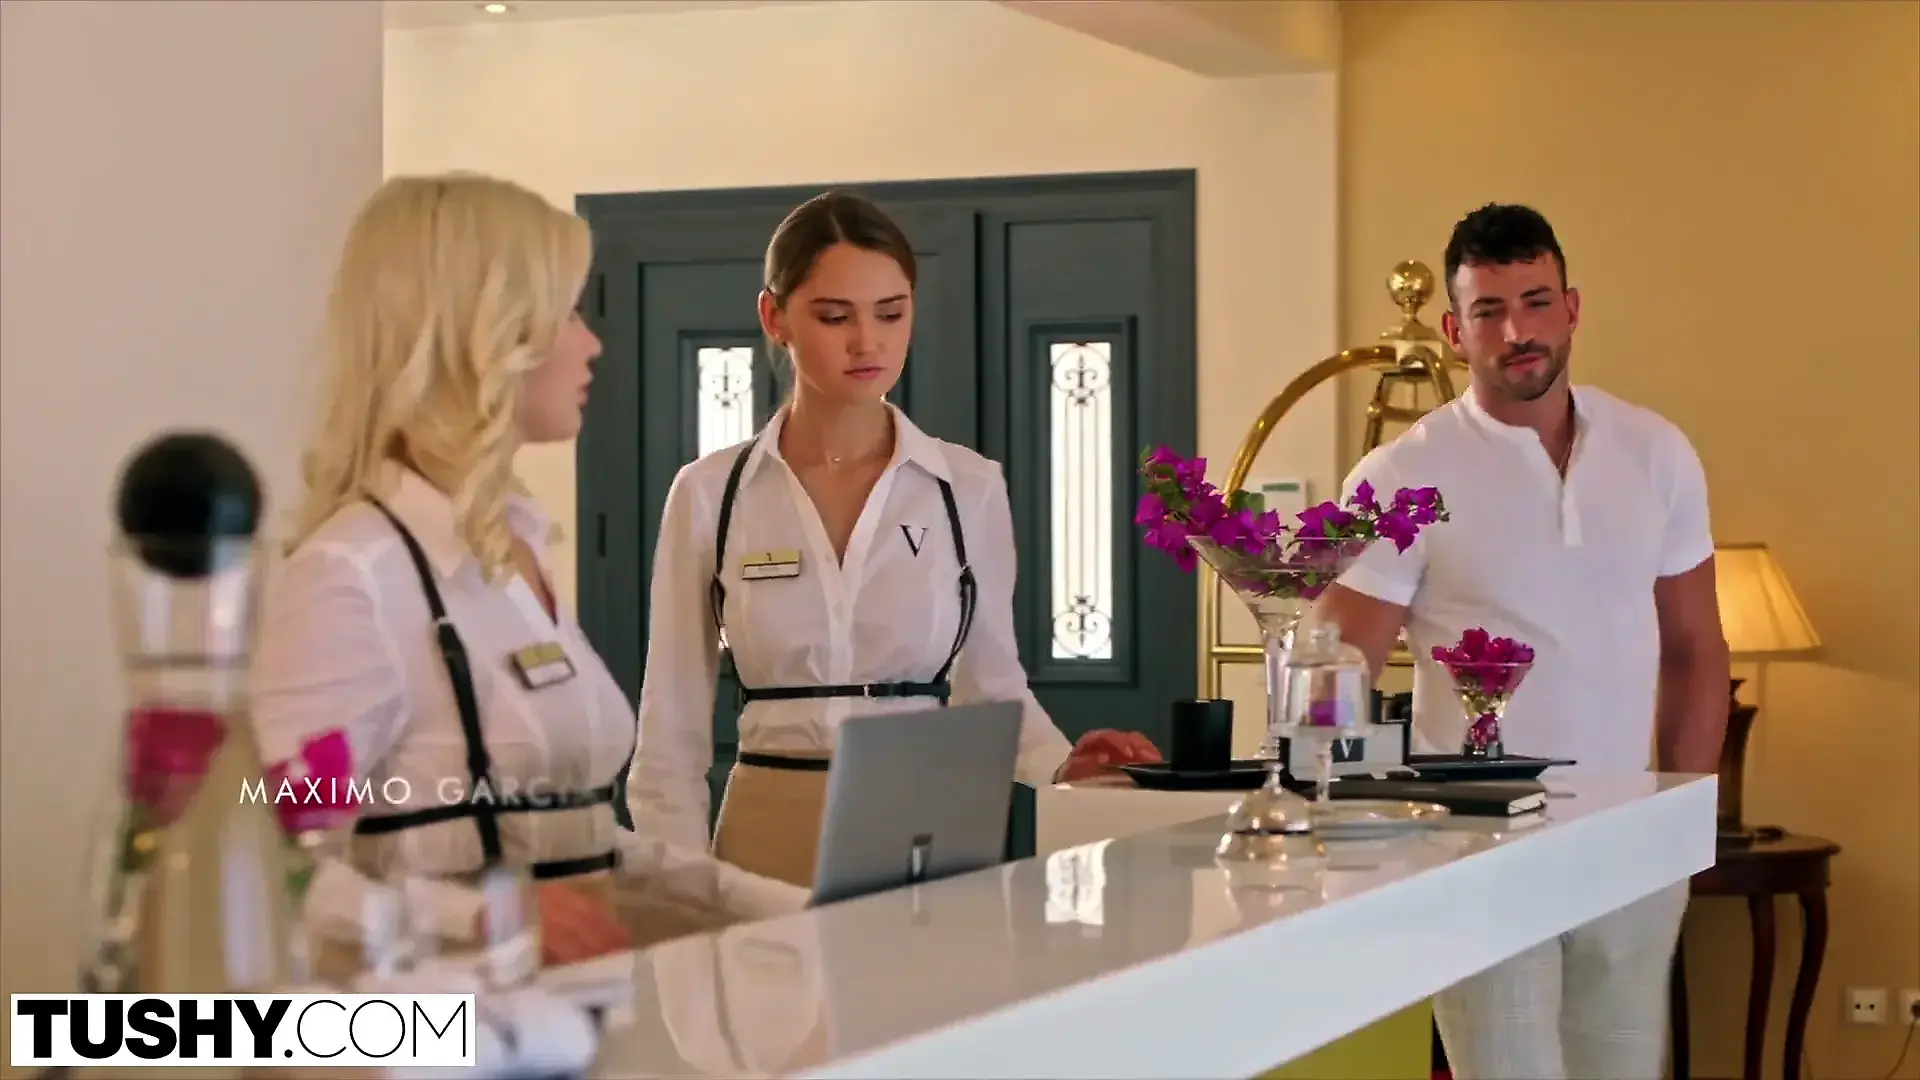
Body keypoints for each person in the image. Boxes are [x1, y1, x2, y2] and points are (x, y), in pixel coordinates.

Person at [250, 173, 807, 976]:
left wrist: (789, 907)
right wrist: (479, 918)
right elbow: (276, 865)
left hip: (572, 1014)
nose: (593, 344)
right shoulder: (353, 578)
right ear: (489, 335)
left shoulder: (512, 553)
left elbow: (575, 842)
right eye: (570, 313)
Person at [627, 191, 1162, 889]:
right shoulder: (710, 493)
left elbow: (990, 686)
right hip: (764, 834)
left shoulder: (967, 487)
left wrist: (1065, 768)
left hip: (927, 830)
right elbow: (669, 729)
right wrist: (678, 888)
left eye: (891, 312)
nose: (867, 342)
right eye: (834, 316)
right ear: (775, 317)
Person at [1314, 203, 1729, 1080]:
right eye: (1490, 311)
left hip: (1630, 842)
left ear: (1571, 308)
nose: (1517, 332)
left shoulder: (1656, 452)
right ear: (1453, 331)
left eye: (1536, 302)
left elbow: (1696, 650)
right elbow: (1337, 672)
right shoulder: (1402, 475)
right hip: (1476, 853)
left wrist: (1685, 817)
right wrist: (1361, 836)